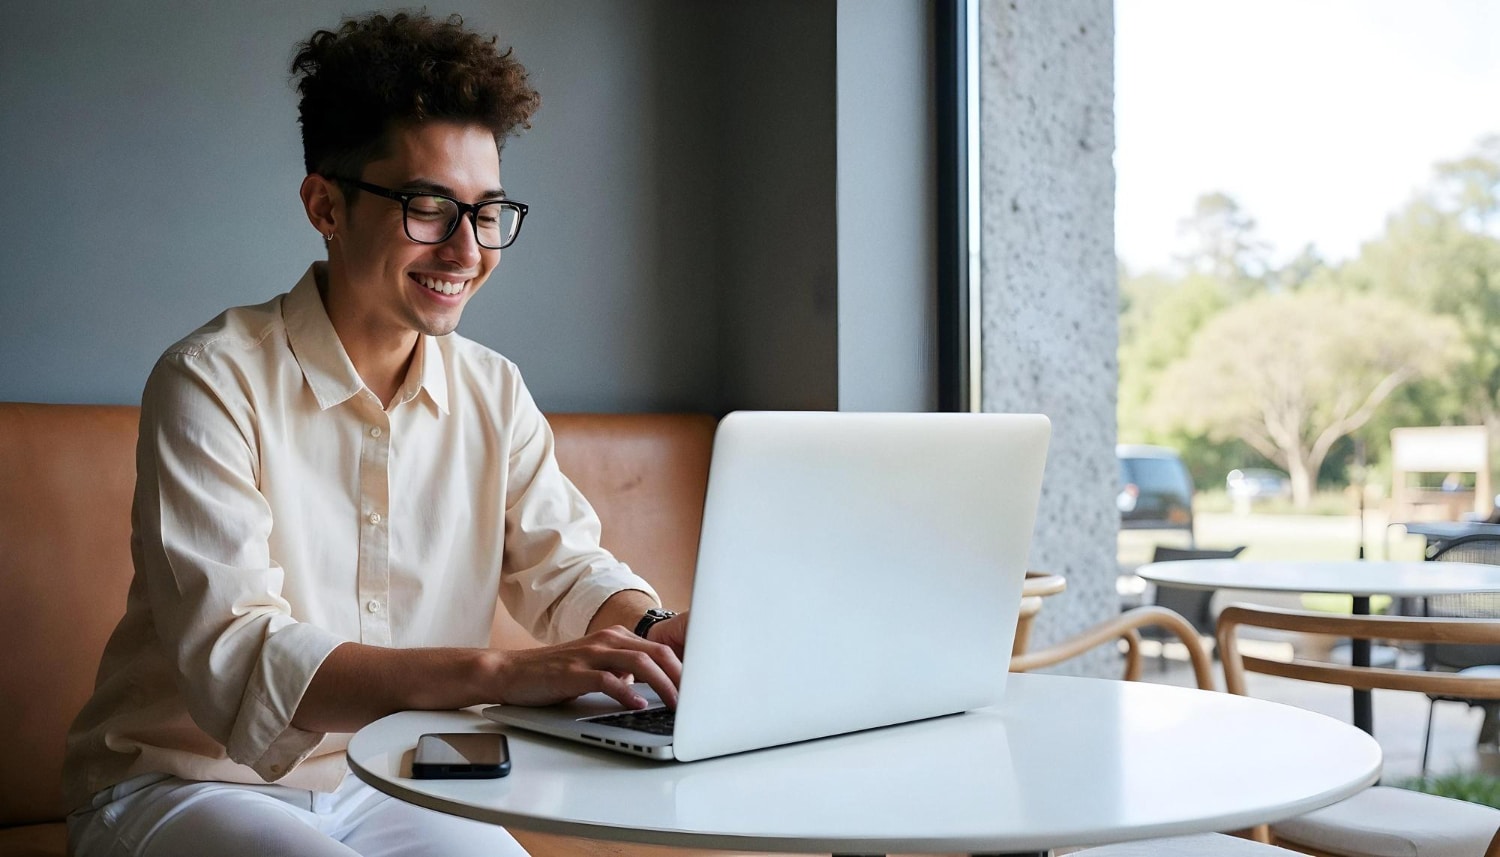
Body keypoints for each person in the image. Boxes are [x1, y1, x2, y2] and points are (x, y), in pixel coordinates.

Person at [62, 12, 687, 856]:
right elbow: (243, 652)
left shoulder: (492, 389)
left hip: (392, 778)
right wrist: (502, 675)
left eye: (488, 211)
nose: (467, 249)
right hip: (184, 780)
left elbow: (566, 567)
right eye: (429, 207)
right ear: (326, 203)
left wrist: (652, 635)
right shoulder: (209, 379)